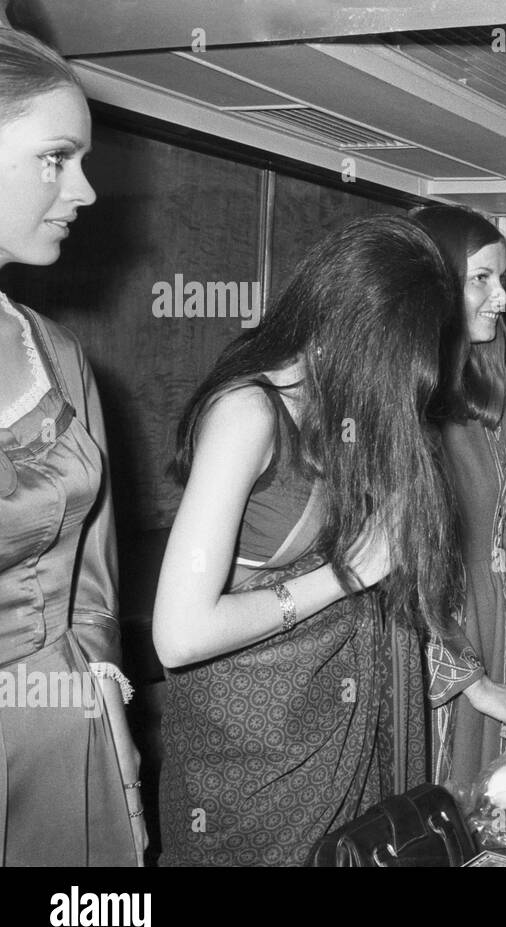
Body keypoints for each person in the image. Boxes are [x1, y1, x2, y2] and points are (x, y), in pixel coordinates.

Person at [154, 216, 483, 865]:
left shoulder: (339, 410)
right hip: (249, 752)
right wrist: (344, 575)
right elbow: (179, 633)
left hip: (337, 717)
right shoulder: (248, 414)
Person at [0, 26, 143, 867]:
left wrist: (113, 739)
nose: (86, 190)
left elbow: (92, 580)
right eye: (58, 157)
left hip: (65, 739)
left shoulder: (55, 355)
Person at [410, 206, 506, 785]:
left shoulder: (488, 395)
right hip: (425, 644)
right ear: (432, 283)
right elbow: (391, 571)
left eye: (501, 279)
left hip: (494, 629)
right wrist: (467, 680)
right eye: (482, 278)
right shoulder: (398, 407)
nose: (502, 297)